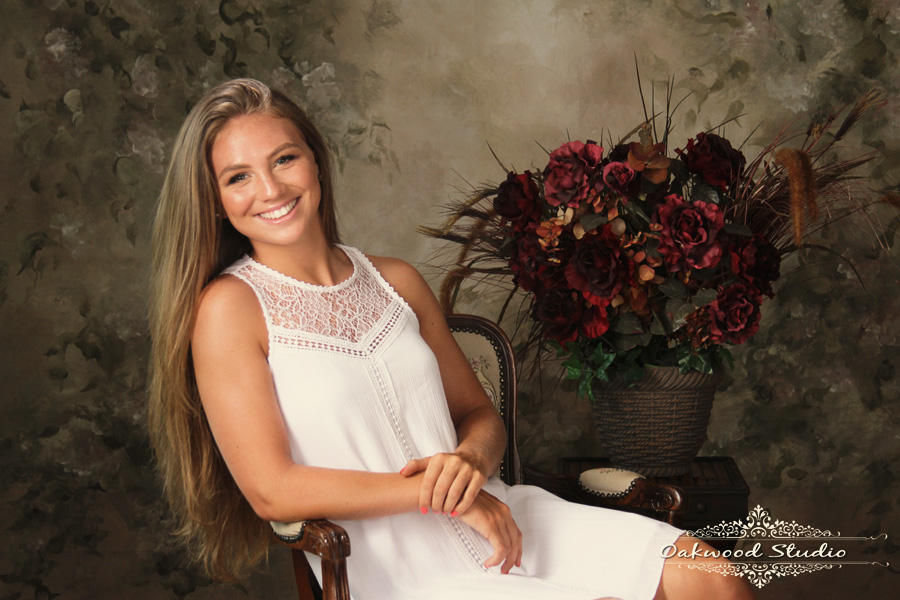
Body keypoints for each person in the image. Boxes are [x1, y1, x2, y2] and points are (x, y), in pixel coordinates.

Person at [148, 78, 754, 600]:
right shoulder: (229, 308)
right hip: (390, 564)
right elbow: (271, 489)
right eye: (237, 177)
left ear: (314, 161)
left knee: (712, 576)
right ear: (217, 202)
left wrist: (468, 465)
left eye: (284, 159)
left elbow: (478, 416)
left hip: (500, 514)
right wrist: (442, 498)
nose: (271, 190)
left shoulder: (396, 282)